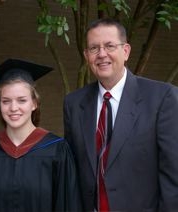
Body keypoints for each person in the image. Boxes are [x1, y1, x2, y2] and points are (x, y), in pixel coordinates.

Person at [63, 17, 178, 211]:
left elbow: (174, 175)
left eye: (109, 46)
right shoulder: (74, 103)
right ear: (86, 55)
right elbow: (73, 172)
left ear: (126, 51)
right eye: (94, 48)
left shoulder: (162, 98)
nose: (101, 54)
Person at [0, 58, 81, 212]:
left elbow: (68, 205)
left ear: (34, 104)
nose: (14, 108)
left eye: (22, 100)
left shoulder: (57, 151)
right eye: (6, 101)